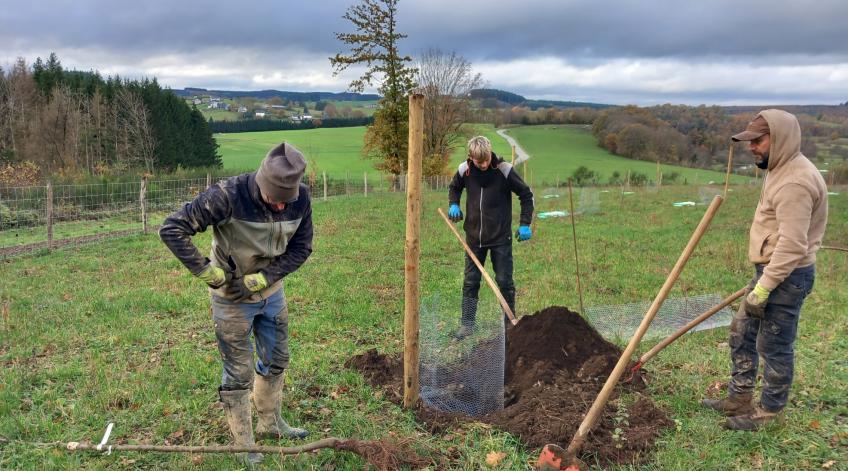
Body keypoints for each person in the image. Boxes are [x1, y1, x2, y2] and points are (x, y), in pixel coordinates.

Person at [160, 142, 313, 464]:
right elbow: (173, 228)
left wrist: (268, 277)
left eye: (288, 201)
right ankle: (244, 442)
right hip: (230, 298)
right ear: (261, 184)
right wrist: (204, 270)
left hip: (270, 293)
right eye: (275, 200)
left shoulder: (301, 199)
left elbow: (301, 248)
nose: (281, 208)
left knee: (277, 359)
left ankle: (271, 422)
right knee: (238, 371)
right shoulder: (227, 195)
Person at [702, 110, 828, 431]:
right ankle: (739, 398)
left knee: (774, 344)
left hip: (786, 276)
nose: (752, 147)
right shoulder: (778, 167)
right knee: (742, 333)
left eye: (759, 140)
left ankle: (770, 412)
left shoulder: (795, 182)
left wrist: (764, 287)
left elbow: (793, 244)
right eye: (750, 141)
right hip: (770, 272)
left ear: (780, 139)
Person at [447, 135, 534, 339]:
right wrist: (454, 203)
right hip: (473, 238)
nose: (484, 164)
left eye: (486, 159)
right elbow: (454, 187)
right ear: (471, 158)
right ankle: (467, 325)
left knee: (504, 281)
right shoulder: (464, 170)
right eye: (479, 161)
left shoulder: (504, 170)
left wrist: (524, 224)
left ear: (490, 154)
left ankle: (509, 325)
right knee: (470, 282)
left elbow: (526, 195)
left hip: (500, 238)